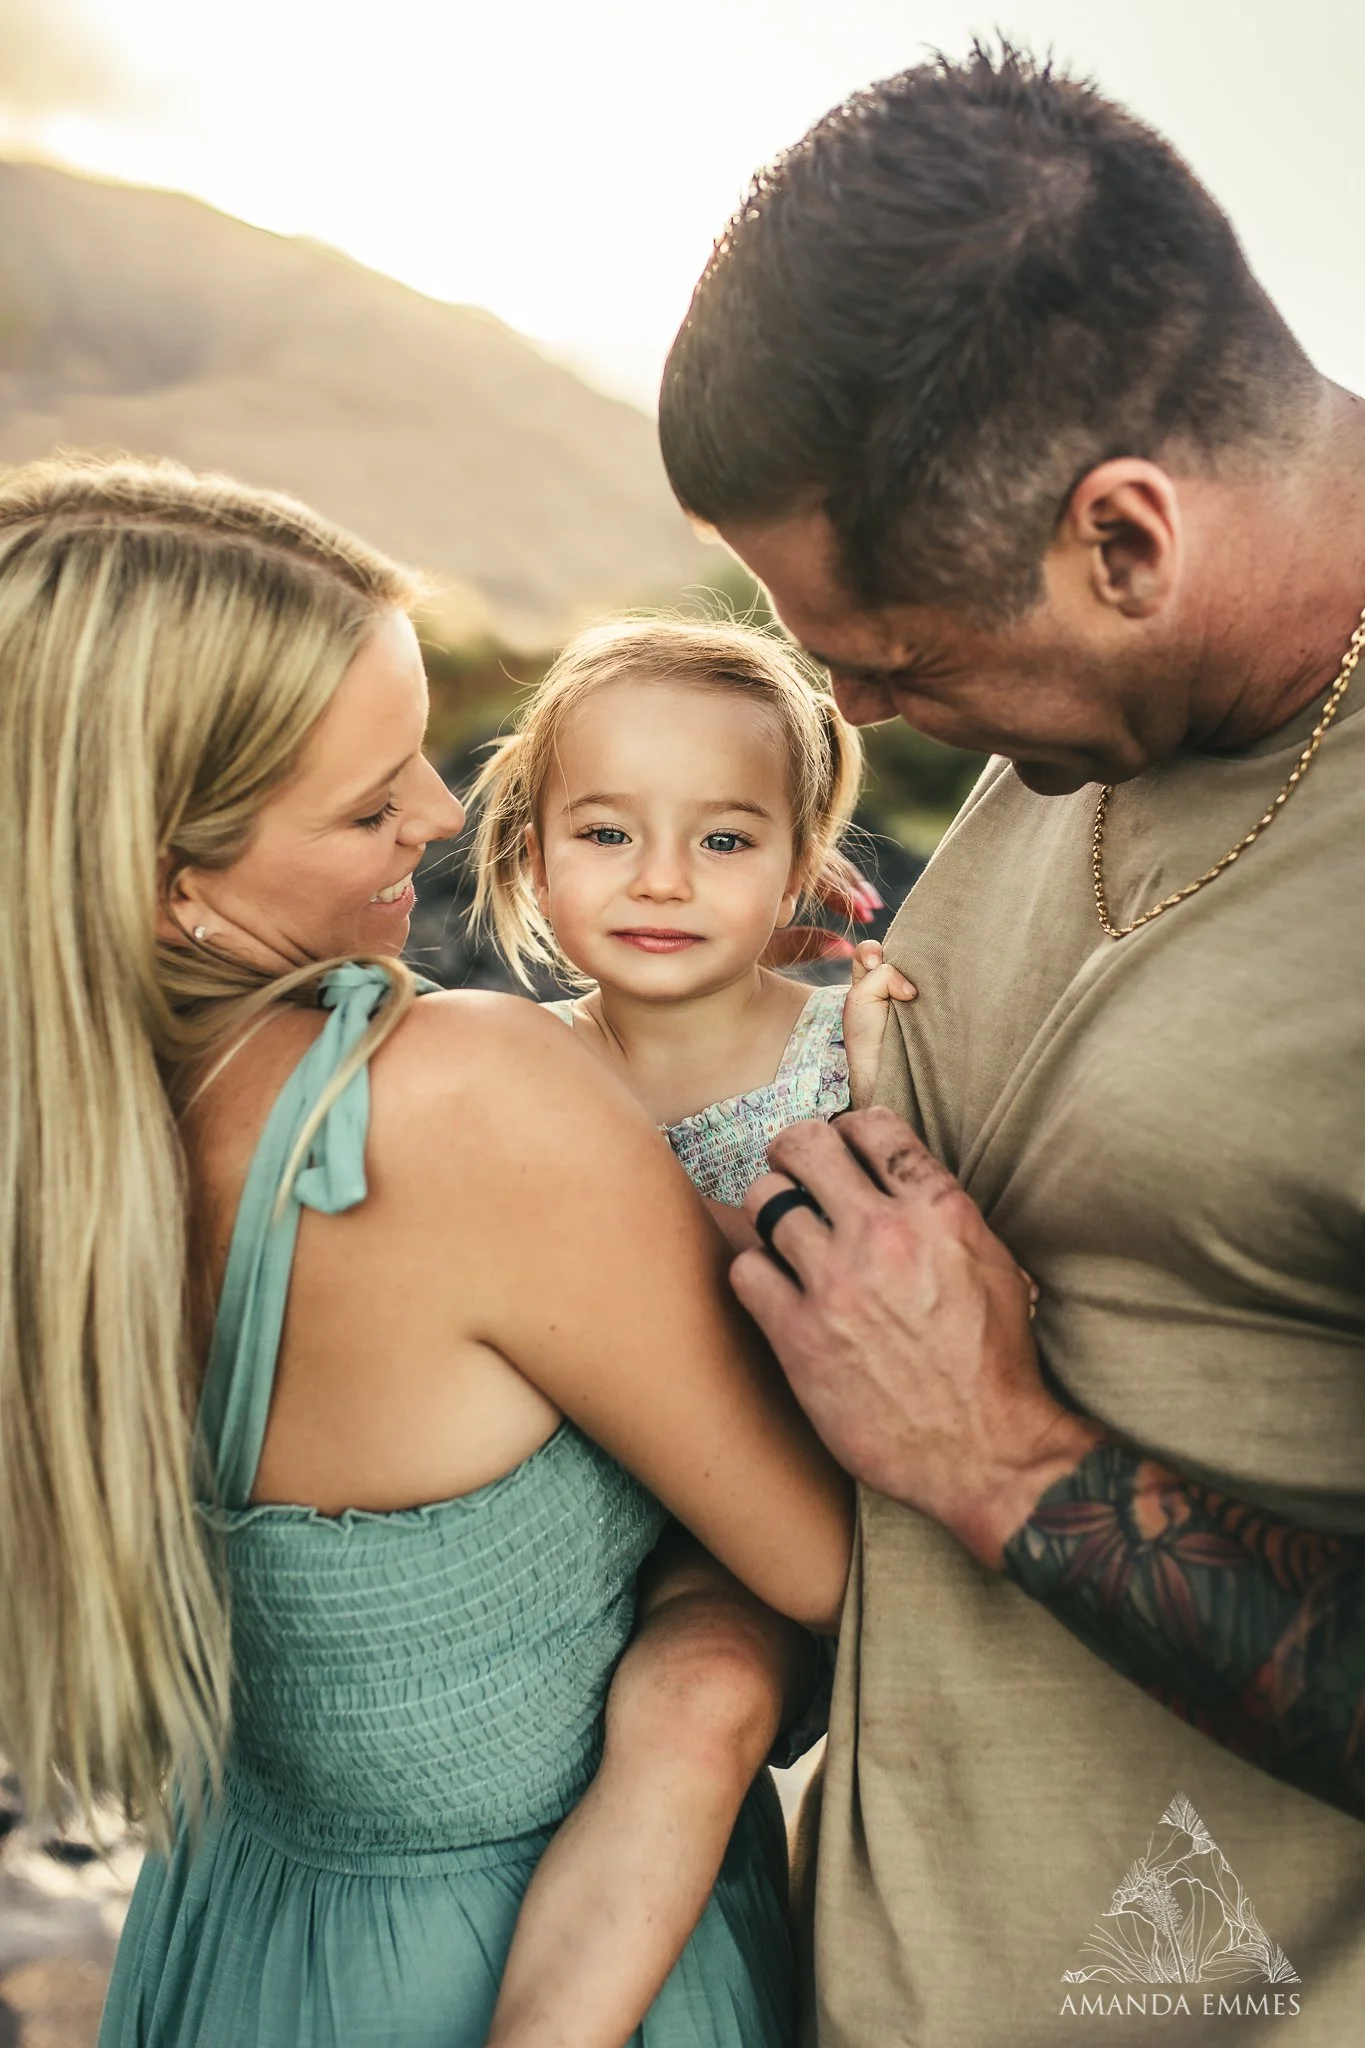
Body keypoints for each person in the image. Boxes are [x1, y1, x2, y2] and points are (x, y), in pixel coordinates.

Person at [658, 41, 1365, 2048]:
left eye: (890, 667)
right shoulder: (1120, 698)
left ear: (1123, 542)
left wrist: (1002, 1455)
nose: (866, 724)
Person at [0, 454, 855, 2048]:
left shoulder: (59, 1149)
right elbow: (833, 1569)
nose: (447, 814)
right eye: (369, 795)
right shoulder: (459, 1097)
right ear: (172, 875)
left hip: (238, 1942)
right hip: (527, 1957)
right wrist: (702, 1645)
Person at [469, 616, 915, 1186]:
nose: (661, 882)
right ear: (541, 868)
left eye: (722, 841)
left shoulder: (855, 1048)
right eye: (608, 835)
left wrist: (888, 1095)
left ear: (793, 878)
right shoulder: (506, 1064)